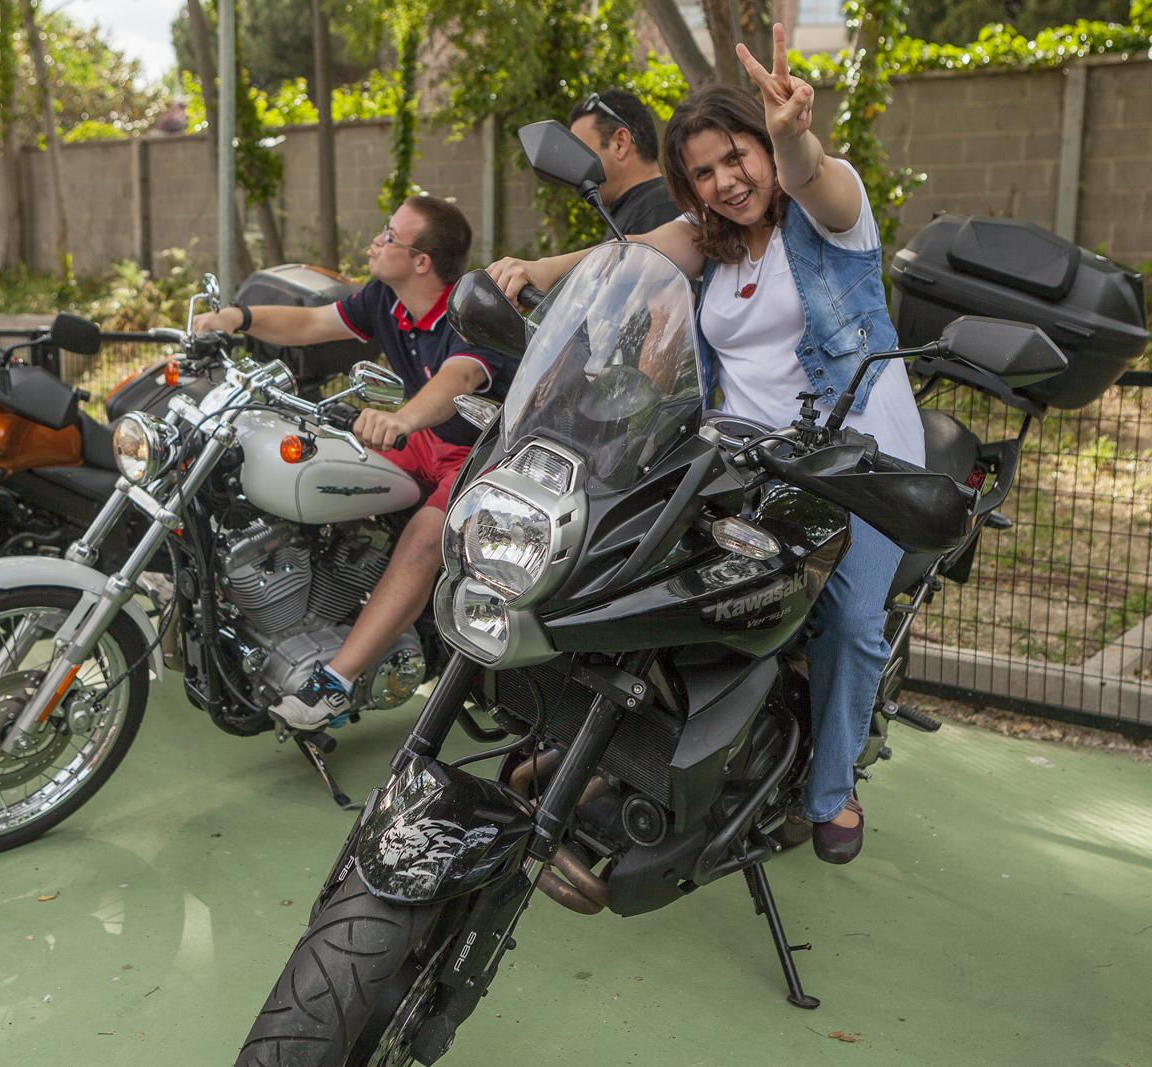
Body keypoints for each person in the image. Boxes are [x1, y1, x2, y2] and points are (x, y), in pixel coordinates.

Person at [489, 26, 921, 866]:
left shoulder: (833, 221)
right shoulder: (712, 242)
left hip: (858, 460)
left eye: (738, 157)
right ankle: (627, 745)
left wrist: (792, 138)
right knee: (651, 575)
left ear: (763, 146)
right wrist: (539, 273)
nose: (727, 181)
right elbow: (628, 257)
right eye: (704, 172)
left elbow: (814, 179)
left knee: (848, 620)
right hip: (750, 457)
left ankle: (832, 787)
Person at [192, 194, 518, 729]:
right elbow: (309, 324)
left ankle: (335, 684)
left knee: (423, 539)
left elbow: (458, 378)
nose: (375, 241)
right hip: (425, 439)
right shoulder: (386, 300)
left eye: (389, 236)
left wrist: (402, 419)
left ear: (421, 262)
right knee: (325, 470)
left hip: (486, 452)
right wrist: (238, 317)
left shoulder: (471, 314)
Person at [566, 90, 682, 236]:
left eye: (579, 153)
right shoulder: (641, 212)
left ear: (620, 143)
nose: (573, 168)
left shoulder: (661, 209)